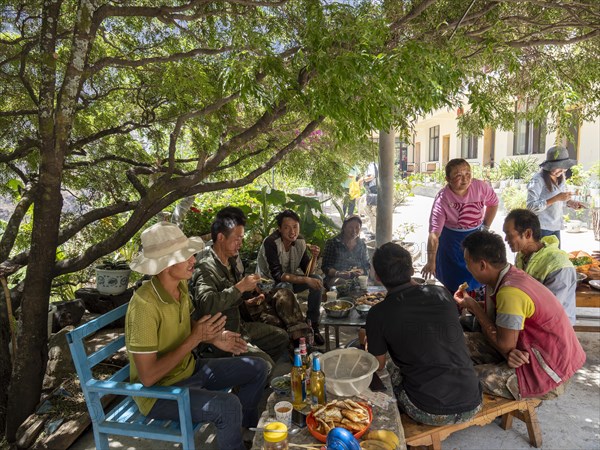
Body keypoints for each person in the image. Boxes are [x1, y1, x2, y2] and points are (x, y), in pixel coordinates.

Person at [125, 222, 268, 450]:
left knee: (258, 367)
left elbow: (189, 324)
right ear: (165, 263)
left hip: (188, 369)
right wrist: (195, 339)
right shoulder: (144, 306)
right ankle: (233, 433)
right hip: (158, 394)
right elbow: (148, 377)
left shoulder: (180, 287)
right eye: (186, 256)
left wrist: (213, 337)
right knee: (227, 405)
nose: (193, 260)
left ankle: (243, 431)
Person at [455, 231, 585, 400]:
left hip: (546, 371)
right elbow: (506, 328)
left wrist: (475, 308)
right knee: (454, 344)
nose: (466, 267)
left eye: (467, 262)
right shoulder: (506, 275)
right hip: (524, 353)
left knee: (460, 379)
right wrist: (475, 307)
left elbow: (504, 344)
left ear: (482, 265)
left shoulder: (510, 292)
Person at [366, 243, 482, 426]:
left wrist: (366, 341)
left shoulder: (377, 314)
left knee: (384, 364)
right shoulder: (442, 293)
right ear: (412, 269)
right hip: (473, 401)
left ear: (378, 278)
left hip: (428, 410)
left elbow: (378, 365)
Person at [191, 207, 289, 371]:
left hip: (240, 327)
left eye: (242, 238)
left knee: (281, 337)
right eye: (237, 239)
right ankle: (246, 373)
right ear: (221, 237)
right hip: (221, 337)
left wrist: (250, 292)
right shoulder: (205, 267)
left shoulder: (230, 261)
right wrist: (240, 287)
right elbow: (206, 304)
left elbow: (234, 295)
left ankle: (249, 375)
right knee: (266, 366)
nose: (240, 244)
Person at [422, 158, 499, 295]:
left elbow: (493, 203)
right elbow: (434, 234)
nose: (465, 179)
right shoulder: (442, 199)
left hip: (475, 235)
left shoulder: (480, 187)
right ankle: (454, 306)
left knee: (478, 271)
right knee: (452, 278)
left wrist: (485, 227)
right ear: (448, 179)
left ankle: (475, 304)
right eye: (458, 176)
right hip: (451, 239)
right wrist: (431, 261)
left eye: (468, 174)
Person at [256, 209, 326, 345]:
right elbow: (277, 276)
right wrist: (305, 280)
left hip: (289, 280)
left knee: (317, 279)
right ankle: (295, 331)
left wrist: (315, 257)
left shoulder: (300, 242)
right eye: (287, 227)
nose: (292, 231)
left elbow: (307, 271)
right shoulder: (271, 242)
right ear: (279, 229)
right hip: (267, 285)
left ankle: (313, 324)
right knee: (286, 287)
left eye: (295, 227)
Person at [503, 209, 577, 324]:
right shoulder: (521, 255)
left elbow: (550, 310)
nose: (506, 239)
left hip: (556, 329)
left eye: (509, 234)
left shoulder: (558, 265)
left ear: (527, 234)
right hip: (534, 323)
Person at [527, 145, 586, 246]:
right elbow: (531, 207)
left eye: (564, 169)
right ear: (549, 166)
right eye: (559, 168)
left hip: (556, 226)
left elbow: (561, 199)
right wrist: (556, 198)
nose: (561, 171)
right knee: (544, 260)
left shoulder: (560, 178)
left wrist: (571, 203)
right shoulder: (538, 180)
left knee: (556, 259)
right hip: (541, 227)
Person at [321, 215, 370, 290]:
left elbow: (366, 265)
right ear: (344, 227)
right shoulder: (333, 243)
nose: (354, 231)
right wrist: (338, 273)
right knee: (343, 284)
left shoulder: (361, 244)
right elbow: (326, 267)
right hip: (335, 279)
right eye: (351, 227)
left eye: (357, 227)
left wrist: (361, 271)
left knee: (364, 287)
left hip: (356, 279)